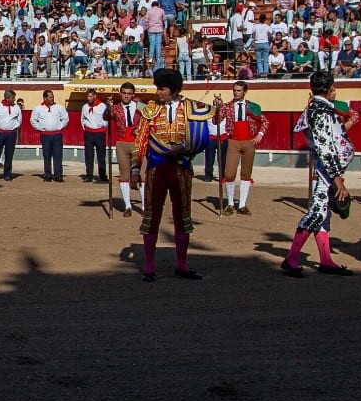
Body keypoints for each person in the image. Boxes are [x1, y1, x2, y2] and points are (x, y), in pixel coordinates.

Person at [133, 67, 211, 281]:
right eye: (158, 87)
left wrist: (184, 149)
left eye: (162, 88)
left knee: (183, 215)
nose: (158, 92)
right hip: (156, 168)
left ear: (174, 90)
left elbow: (203, 138)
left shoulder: (192, 108)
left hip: (181, 167)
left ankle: (182, 265)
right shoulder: (150, 109)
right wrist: (134, 168)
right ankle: (149, 267)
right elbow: (140, 140)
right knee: (151, 215)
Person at [284, 72, 353, 277]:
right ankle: (291, 259)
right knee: (316, 214)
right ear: (330, 88)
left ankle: (325, 259)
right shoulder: (321, 111)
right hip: (326, 172)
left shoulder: (315, 109)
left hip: (326, 171)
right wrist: (337, 178)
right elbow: (325, 148)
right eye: (334, 88)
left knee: (323, 215)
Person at [217, 80, 266, 215]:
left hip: (249, 142)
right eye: (234, 90)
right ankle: (230, 204)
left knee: (246, 174)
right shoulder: (226, 107)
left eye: (238, 90)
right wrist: (217, 109)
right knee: (229, 173)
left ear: (244, 92)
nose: (236, 92)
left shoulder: (252, 107)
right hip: (233, 142)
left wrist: (260, 134)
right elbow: (216, 121)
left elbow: (265, 121)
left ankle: (242, 204)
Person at [110, 83, 144, 213]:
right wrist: (108, 107)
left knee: (141, 175)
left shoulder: (140, 106)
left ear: (133, 95)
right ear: (120, 94)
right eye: (124, 93)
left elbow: (152, 115)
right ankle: (128, 206)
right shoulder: (115, 108)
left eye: (129, 93)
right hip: (121, 143)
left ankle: (144, 206)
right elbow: (105, 117)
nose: (126, 96)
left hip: (138, 142)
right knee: (124, 175)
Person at [31, 90, 69, 181]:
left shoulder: (59, 107)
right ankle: (48, 175)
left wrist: (60, 127)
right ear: (45, 98)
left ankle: (58, 175)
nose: (52, 98)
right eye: (50, 97)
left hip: (56, 134)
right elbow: (33, 120)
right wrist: (40, 128)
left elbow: (65, 118)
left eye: (52, 96)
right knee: (47, 155)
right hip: (45, 135)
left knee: (58, 155)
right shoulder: (38, 108)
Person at [79, 90, 110, 184]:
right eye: (88, 97)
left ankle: (102, 175)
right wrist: (85, 127)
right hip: (89, 133)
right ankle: (89, 175)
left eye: (90, 96)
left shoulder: (102, 106)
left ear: (95, 96)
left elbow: (106, 119)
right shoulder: (85, 107)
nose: (89, 98)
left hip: (99, 133)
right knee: (88, 155)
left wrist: (103, 126)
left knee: (101, 156)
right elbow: (82, 119)